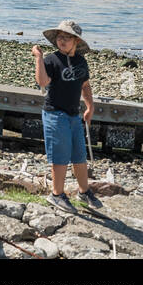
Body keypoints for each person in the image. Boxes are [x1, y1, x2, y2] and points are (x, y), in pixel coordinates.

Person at [33, 20, 101, 211]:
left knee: (79, 155)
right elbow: (43, 82)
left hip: (73, 114)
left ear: (76, 41)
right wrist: (39, 58)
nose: (62, 40)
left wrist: (90, 106)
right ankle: (57, 195)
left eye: (67, 37)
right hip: (55, 113)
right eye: (60, 37)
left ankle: (84, 191)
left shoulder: (81, 61)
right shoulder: (52, 60)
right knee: (60, 156)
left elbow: (85, 85)